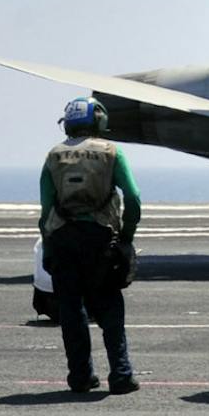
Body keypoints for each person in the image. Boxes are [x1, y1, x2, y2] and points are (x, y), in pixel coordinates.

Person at [39, 97, 142, 394]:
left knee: (71, 310)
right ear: (99, 121)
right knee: (110, 306)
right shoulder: (112, 152)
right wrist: (126, 237)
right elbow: (133, 199)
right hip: (100, 238)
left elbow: (46, 211)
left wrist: (48, 249)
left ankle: (80, 376)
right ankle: (121, 375)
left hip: (62, 240)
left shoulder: (53, 155)